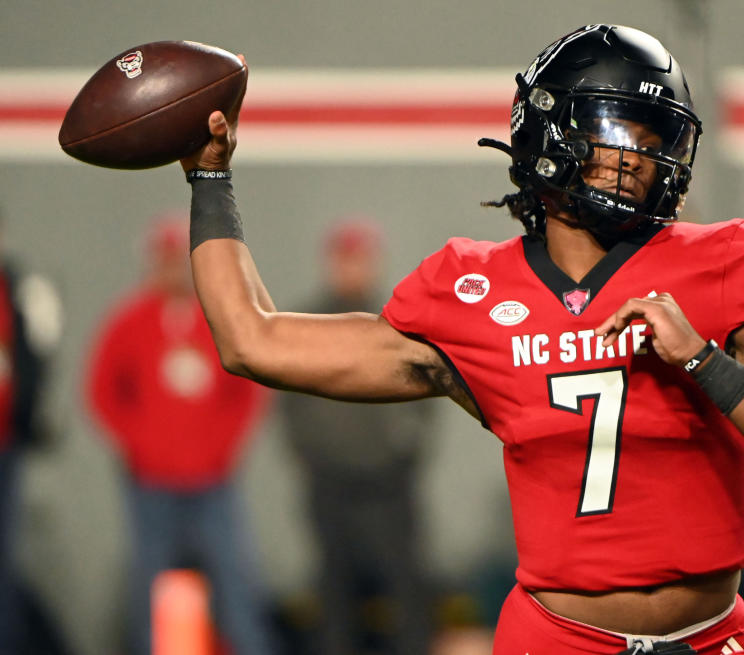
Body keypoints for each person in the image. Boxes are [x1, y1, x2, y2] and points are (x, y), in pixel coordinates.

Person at [179, 25, 744, 655]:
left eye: (655, 145)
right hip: (558, 638)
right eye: (619, 137)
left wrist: (703, 359)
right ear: (550, 139)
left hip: (708, 635)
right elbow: (252, 340)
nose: (643, 162)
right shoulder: (471, 289)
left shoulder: (723, 261)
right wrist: (210, 177)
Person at [85, 215, 273, 655]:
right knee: (150, 582)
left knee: (236, 581)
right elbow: (100, 393)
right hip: (152, 483)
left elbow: (247, 389)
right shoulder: (129, 322)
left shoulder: (221, 316)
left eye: (182, 261)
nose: (174, 271)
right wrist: (141, 443)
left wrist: (222, 448)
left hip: (212, 481)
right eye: (166, 261)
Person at [278, 217, 433, 655]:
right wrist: (313, 456)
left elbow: (428, 401)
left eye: (359, 259)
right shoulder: (304, 325)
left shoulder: (398, 322)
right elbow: (289, 406)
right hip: (331, 482)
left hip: (388, 483)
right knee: (334, 587)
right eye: (344, 260)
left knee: (406, 583)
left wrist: (402, 451)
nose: (352, 269)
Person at [0, 206, 61, 654]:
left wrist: (29, 417)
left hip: (5, 446)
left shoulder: (18, 287)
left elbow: (33, 359)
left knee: (4, 560)